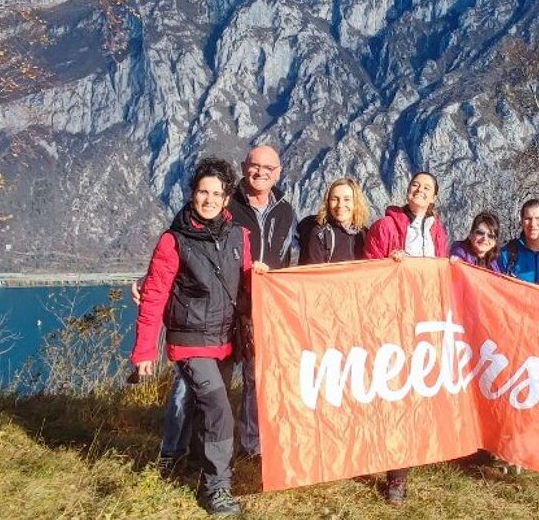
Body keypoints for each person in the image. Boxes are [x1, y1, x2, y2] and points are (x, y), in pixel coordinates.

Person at [129, 157, 269, 516]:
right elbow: (154, 296)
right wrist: (145, 352)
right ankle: (217, 488)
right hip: (190, 340)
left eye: (216, 193)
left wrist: (262, 276)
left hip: (226, 339)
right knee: (220, 408)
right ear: (192, 194)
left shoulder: (239, 236)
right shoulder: (173, 241)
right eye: (202, 192)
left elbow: (247, 284)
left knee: (206, 407)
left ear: (226, 199)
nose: (208, 199)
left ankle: (192, 459)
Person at [361, 170, 448, 505]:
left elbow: (440, 273)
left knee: (415, 393)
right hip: (390, 320)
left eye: (427, 188)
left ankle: (408, 455)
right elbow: (367, 271)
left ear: (434, 197)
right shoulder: (385, 226)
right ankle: (396, 475)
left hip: (423, 321)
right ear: (407, 190)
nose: (420, 190)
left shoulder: (437, 230)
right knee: (393, 393)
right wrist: (389, 263)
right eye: (416, 185)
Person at [226, 144, 297, 460]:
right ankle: (192, 445)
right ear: (244, 167)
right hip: (227, 302)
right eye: (255, 166)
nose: (261, 173)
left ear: (278, 173)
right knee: (215, 377)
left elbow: (289, 259)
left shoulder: (285, 209)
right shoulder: (225, 203)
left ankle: (251, 446)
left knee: (257, 376)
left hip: (267, 309)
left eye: (269, 169)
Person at [297, 177, 371, 265]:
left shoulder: (364, 234)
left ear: (355, 203)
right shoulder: (320, 234)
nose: (340, 205)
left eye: (347, 199)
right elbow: (314, 274)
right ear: (328, 203)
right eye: (334, 199)